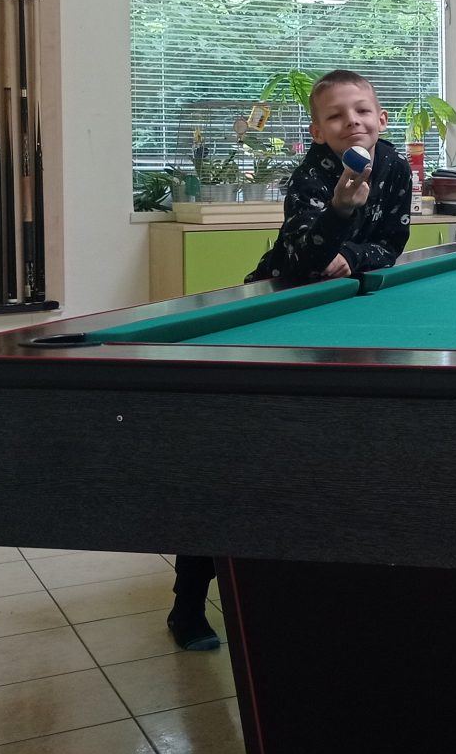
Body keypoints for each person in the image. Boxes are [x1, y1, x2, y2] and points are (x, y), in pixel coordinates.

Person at [167, 69, 414, 652]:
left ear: (381, 118)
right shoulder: (310, 174)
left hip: (345, 311)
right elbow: (302, 255)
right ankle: (187, 602)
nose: (352, 122)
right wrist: (339, 212)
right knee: (229, 451)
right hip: (275, 305)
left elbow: (392, 244)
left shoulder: (397, 167)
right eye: (336, 115)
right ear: (318, 130)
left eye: (362, 111)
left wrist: (354, 254)